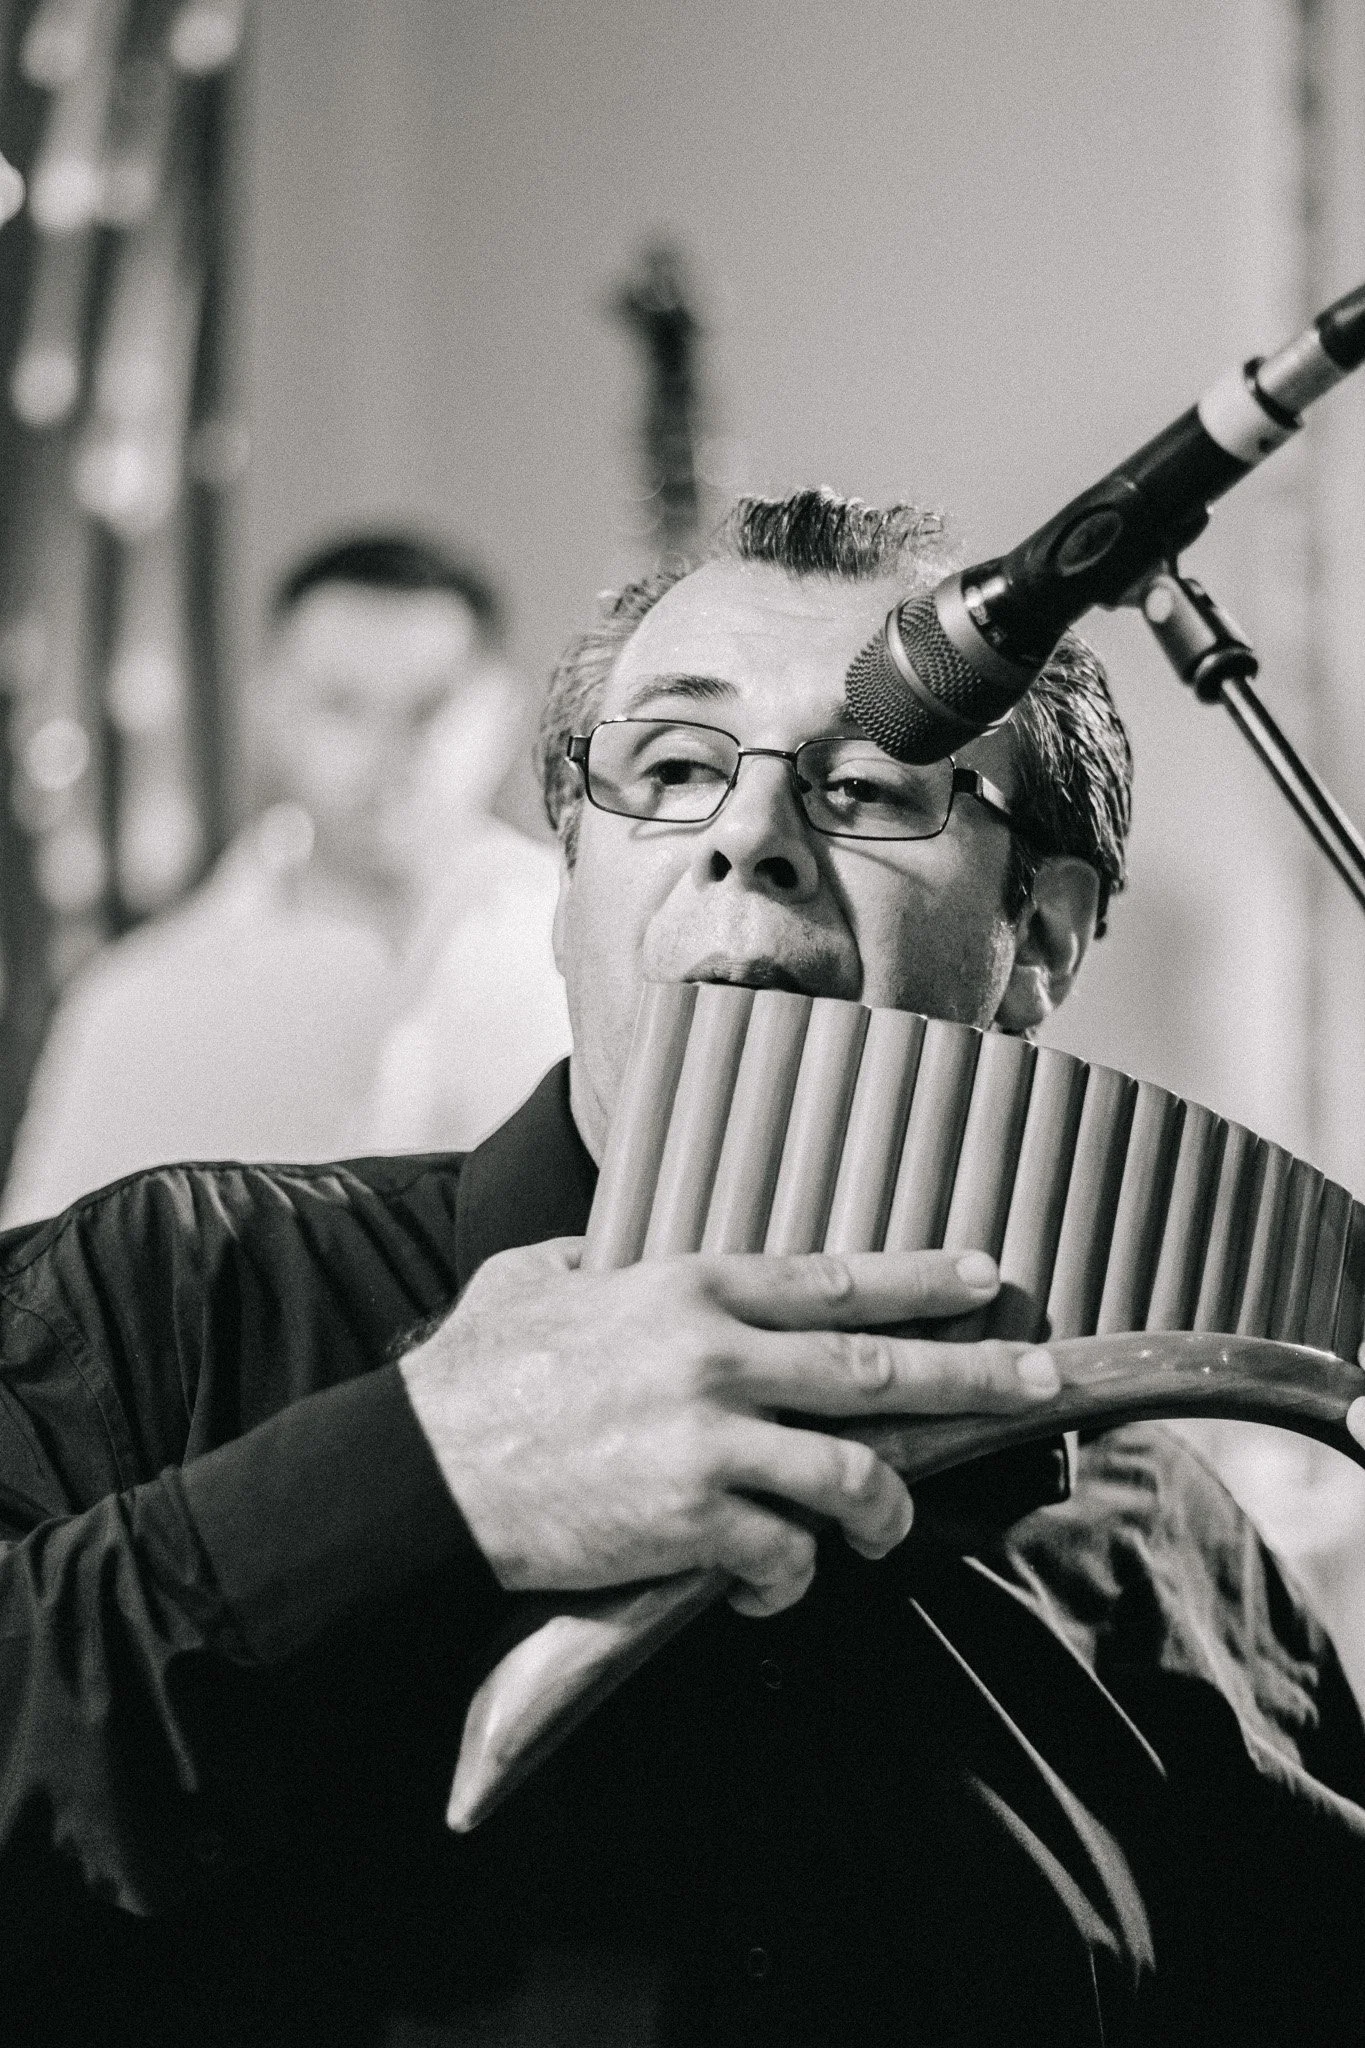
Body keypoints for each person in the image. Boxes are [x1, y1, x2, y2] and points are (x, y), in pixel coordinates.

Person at [1, 489, 1363, 2048]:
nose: (745, 835)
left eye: (869, 785)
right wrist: (417, 1476)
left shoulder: (1155, 1553)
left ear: (1037, 943)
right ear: (570, 885)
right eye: (672, 769)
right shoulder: (168, 1301)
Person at [0, 531, 570, 1222]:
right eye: (340, 703)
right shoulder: (138, 999)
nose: (388, 749)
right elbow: (44, 1284)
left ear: (505, 715)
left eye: (428, 707)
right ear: (269, 707)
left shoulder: (597, 942)